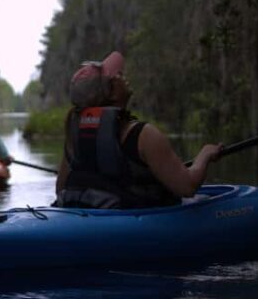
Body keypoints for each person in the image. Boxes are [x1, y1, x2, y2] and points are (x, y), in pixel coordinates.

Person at [56, 51, 222, 208]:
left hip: (91, 215)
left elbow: (60, 189)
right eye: (117, 76)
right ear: (112, 93)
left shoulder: (74, 134)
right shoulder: (144, 136)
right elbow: (187, 187)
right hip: (132, 217)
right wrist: (205, 155)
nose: (122, 75)